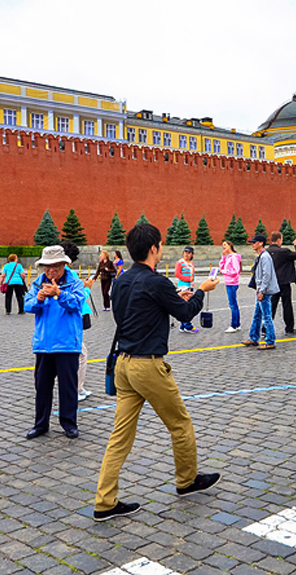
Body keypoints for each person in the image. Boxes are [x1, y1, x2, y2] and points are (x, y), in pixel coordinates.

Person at [93, 222, 221, 521]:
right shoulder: (156, 281)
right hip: (147, 364)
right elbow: (186, 313)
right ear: (153, 248)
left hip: (123, 364)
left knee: (119, 437)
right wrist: (201, 290)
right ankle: (187, 480)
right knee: (180, 424)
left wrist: (175, 296)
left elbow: (141, 309)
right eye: (160, 245)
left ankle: (104, 500)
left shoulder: (122, 280)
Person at [24, 245, 85, 440]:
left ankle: (69, 424)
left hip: (67, 344)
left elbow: (77, 303)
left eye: (55, 267)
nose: (51, 271)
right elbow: (27, 305)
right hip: (43, 344)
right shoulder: (37, 283)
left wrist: (59, 294)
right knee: (42, 388)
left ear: (64, 265)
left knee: (68, 388)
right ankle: (40, 424)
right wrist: (39, 300)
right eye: (47, 267)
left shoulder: (74, 282)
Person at [60, 241, 94, 402]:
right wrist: (87, 287)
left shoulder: (63, 272)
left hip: (72, 317)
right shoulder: (68, 274)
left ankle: (78, 387)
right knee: (80, 353)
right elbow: (77, 299)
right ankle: (76, 389)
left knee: (78, 351)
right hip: (74, 316)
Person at [241, 235, 279, 350]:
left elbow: (266, 275)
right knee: (257, 315)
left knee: (266, 316)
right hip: (261, 290)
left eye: (254, 242)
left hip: (265, 291)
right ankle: (253, 338)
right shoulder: (261, 256)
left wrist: (261, 290)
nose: (252, 244)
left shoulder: (265, 257)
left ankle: (270, 341)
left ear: (261, 243)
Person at [268, 231, 296, 335]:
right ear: (279, 240)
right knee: (287, 305)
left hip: (272, 283)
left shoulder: (266, 252)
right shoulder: (284, 251)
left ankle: (265, 328)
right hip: (284, 282)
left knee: (271, 306)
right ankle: (289, 328)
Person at [219, 240, 242, 333]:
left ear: (230, 245)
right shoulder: (229, 257)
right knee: (234, 304)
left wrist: (224, 272)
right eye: (222, 245)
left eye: (225, 245)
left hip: (232, 283)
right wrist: (223, 257)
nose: (223, 247)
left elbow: (236, 271)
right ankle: (237, 324)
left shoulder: (234, 257)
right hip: (229, 282)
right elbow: (222, 266)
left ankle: (234, 325)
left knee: (232, 305)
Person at [175, 247, 198, 334]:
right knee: (186, 306)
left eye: (189, 252)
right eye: (185, 252)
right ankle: (188, 325)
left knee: (187, 305)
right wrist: (187, 279)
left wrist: (192, 282)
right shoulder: (180, 262)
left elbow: (193, 274)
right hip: (182, 286)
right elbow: (177, 274)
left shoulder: (191, 263)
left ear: (192, 254)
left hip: (189, 286)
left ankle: (183, 326)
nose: (186, 254)